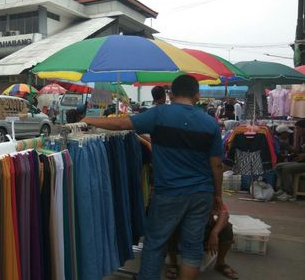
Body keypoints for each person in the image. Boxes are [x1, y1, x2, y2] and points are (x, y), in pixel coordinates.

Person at [82, 75, 223, 280]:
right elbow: (217, 165)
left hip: (169, 193)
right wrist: (217, 196)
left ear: (171, 94)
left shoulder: (158, 115)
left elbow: (122, 124)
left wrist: (87, 119)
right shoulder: (210, 124)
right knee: (192, 246)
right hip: (202, 193)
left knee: (155, 244)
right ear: (197, 95)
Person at [166, 204, 239, 279]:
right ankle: (173, 263)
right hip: (185, 229)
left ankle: (220, 263)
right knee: (171, 227)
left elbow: (224, 214)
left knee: (226, 228)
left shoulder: (211, 195)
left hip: (204, 227)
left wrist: (214, 233)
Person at [274, 119, 305, 201]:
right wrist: (296, 154)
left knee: (286, 169)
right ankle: (282, 189)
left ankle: (289, 193)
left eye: (298, 128)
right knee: (278, 166)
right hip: (301, 162)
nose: (296, 131)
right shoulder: (302, 138)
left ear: (303, 128)